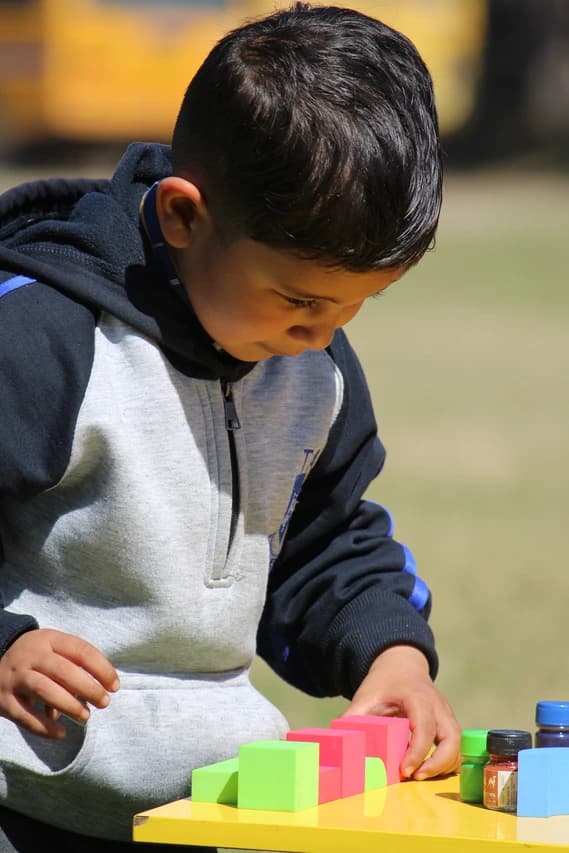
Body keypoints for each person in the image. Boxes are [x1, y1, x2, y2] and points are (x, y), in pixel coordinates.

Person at [0, 3, 460, 849]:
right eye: (299, 299)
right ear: (183, 216)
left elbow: (324, 542)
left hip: (209, 812)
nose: (324, 333)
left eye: (358, 304)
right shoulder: (42, 341)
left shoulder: (311, 364)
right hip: (22, 804)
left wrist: (391, 653)